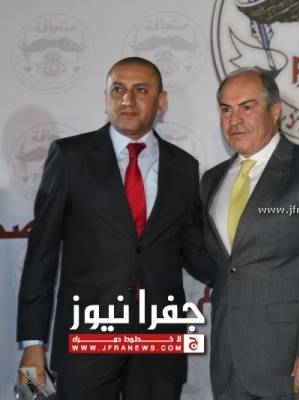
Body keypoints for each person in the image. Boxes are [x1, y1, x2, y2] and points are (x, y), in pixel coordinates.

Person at [17, 57, 214, 400]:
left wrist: (241, 272)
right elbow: (41, 254)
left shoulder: (184, 167)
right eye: (118, 89)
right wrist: (34, 343)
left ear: (161, 101)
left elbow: (192, 249)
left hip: (159, 341)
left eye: (141, 90)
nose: (127, 99)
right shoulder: (70, 157)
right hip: (86, 339)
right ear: (106, 97)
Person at [200, 67, 299, 399]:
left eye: (247, 107)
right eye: (226, 109)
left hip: (297, 363)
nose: (234, 120)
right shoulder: (211, 180)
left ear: (275, 111)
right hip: (230, 361)